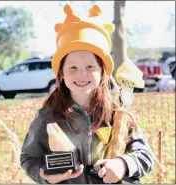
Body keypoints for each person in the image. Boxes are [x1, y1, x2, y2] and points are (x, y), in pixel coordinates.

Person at [20, 4, 154, 184]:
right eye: (72, 67)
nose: (82, 74)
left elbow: (145, 156)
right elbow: (28, 158)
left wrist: (123, 164)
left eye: (90, 67)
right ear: (61, 73)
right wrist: (45, 176)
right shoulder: (47, 117)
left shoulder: (118, 113)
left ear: (102, 72)